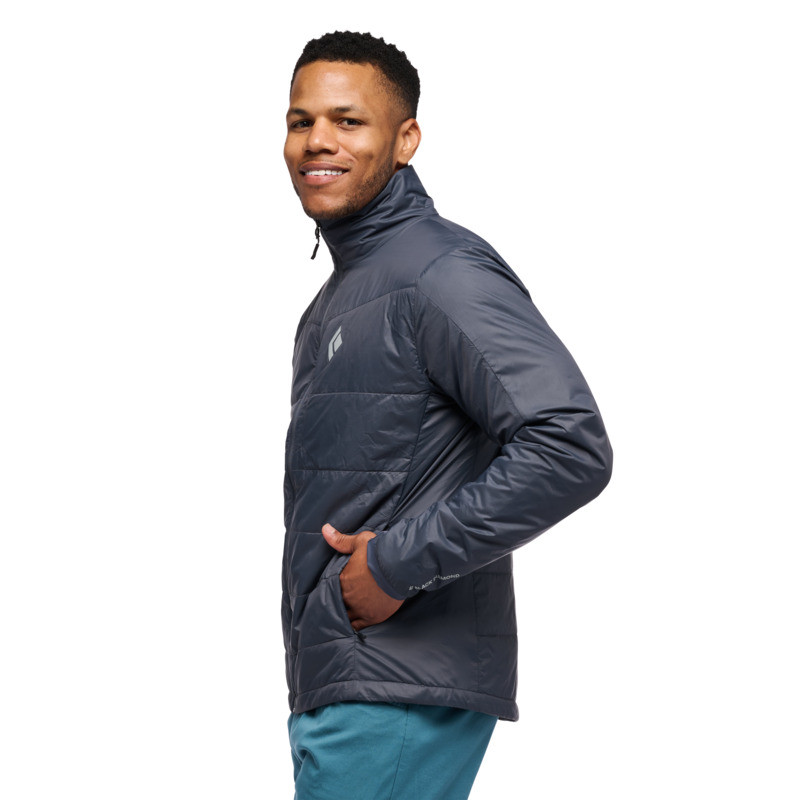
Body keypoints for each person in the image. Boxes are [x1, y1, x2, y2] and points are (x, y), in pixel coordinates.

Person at [282, 31, 612, 800]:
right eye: (301, 121)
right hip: (353, 679)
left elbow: (570, 444)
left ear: (406, 140)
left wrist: (392, 566)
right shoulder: (343, 296)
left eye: (348, 121)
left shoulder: (437, 272)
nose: (318, 141)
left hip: (394, 684)